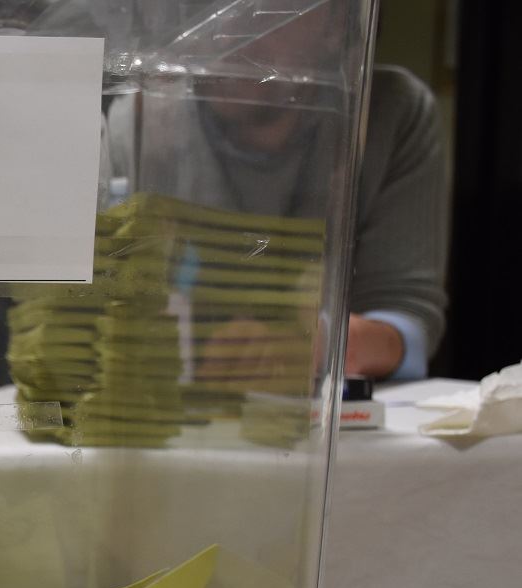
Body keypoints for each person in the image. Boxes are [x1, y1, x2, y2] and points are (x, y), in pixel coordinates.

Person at [102, 7, 448, 382]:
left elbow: (408, 325)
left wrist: (314, 344)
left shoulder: (387, 112)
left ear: (338, 24)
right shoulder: (144, 122)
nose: (228, 29)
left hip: (324, 407)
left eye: (268, 9)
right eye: (209, 9)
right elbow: (109, 312)